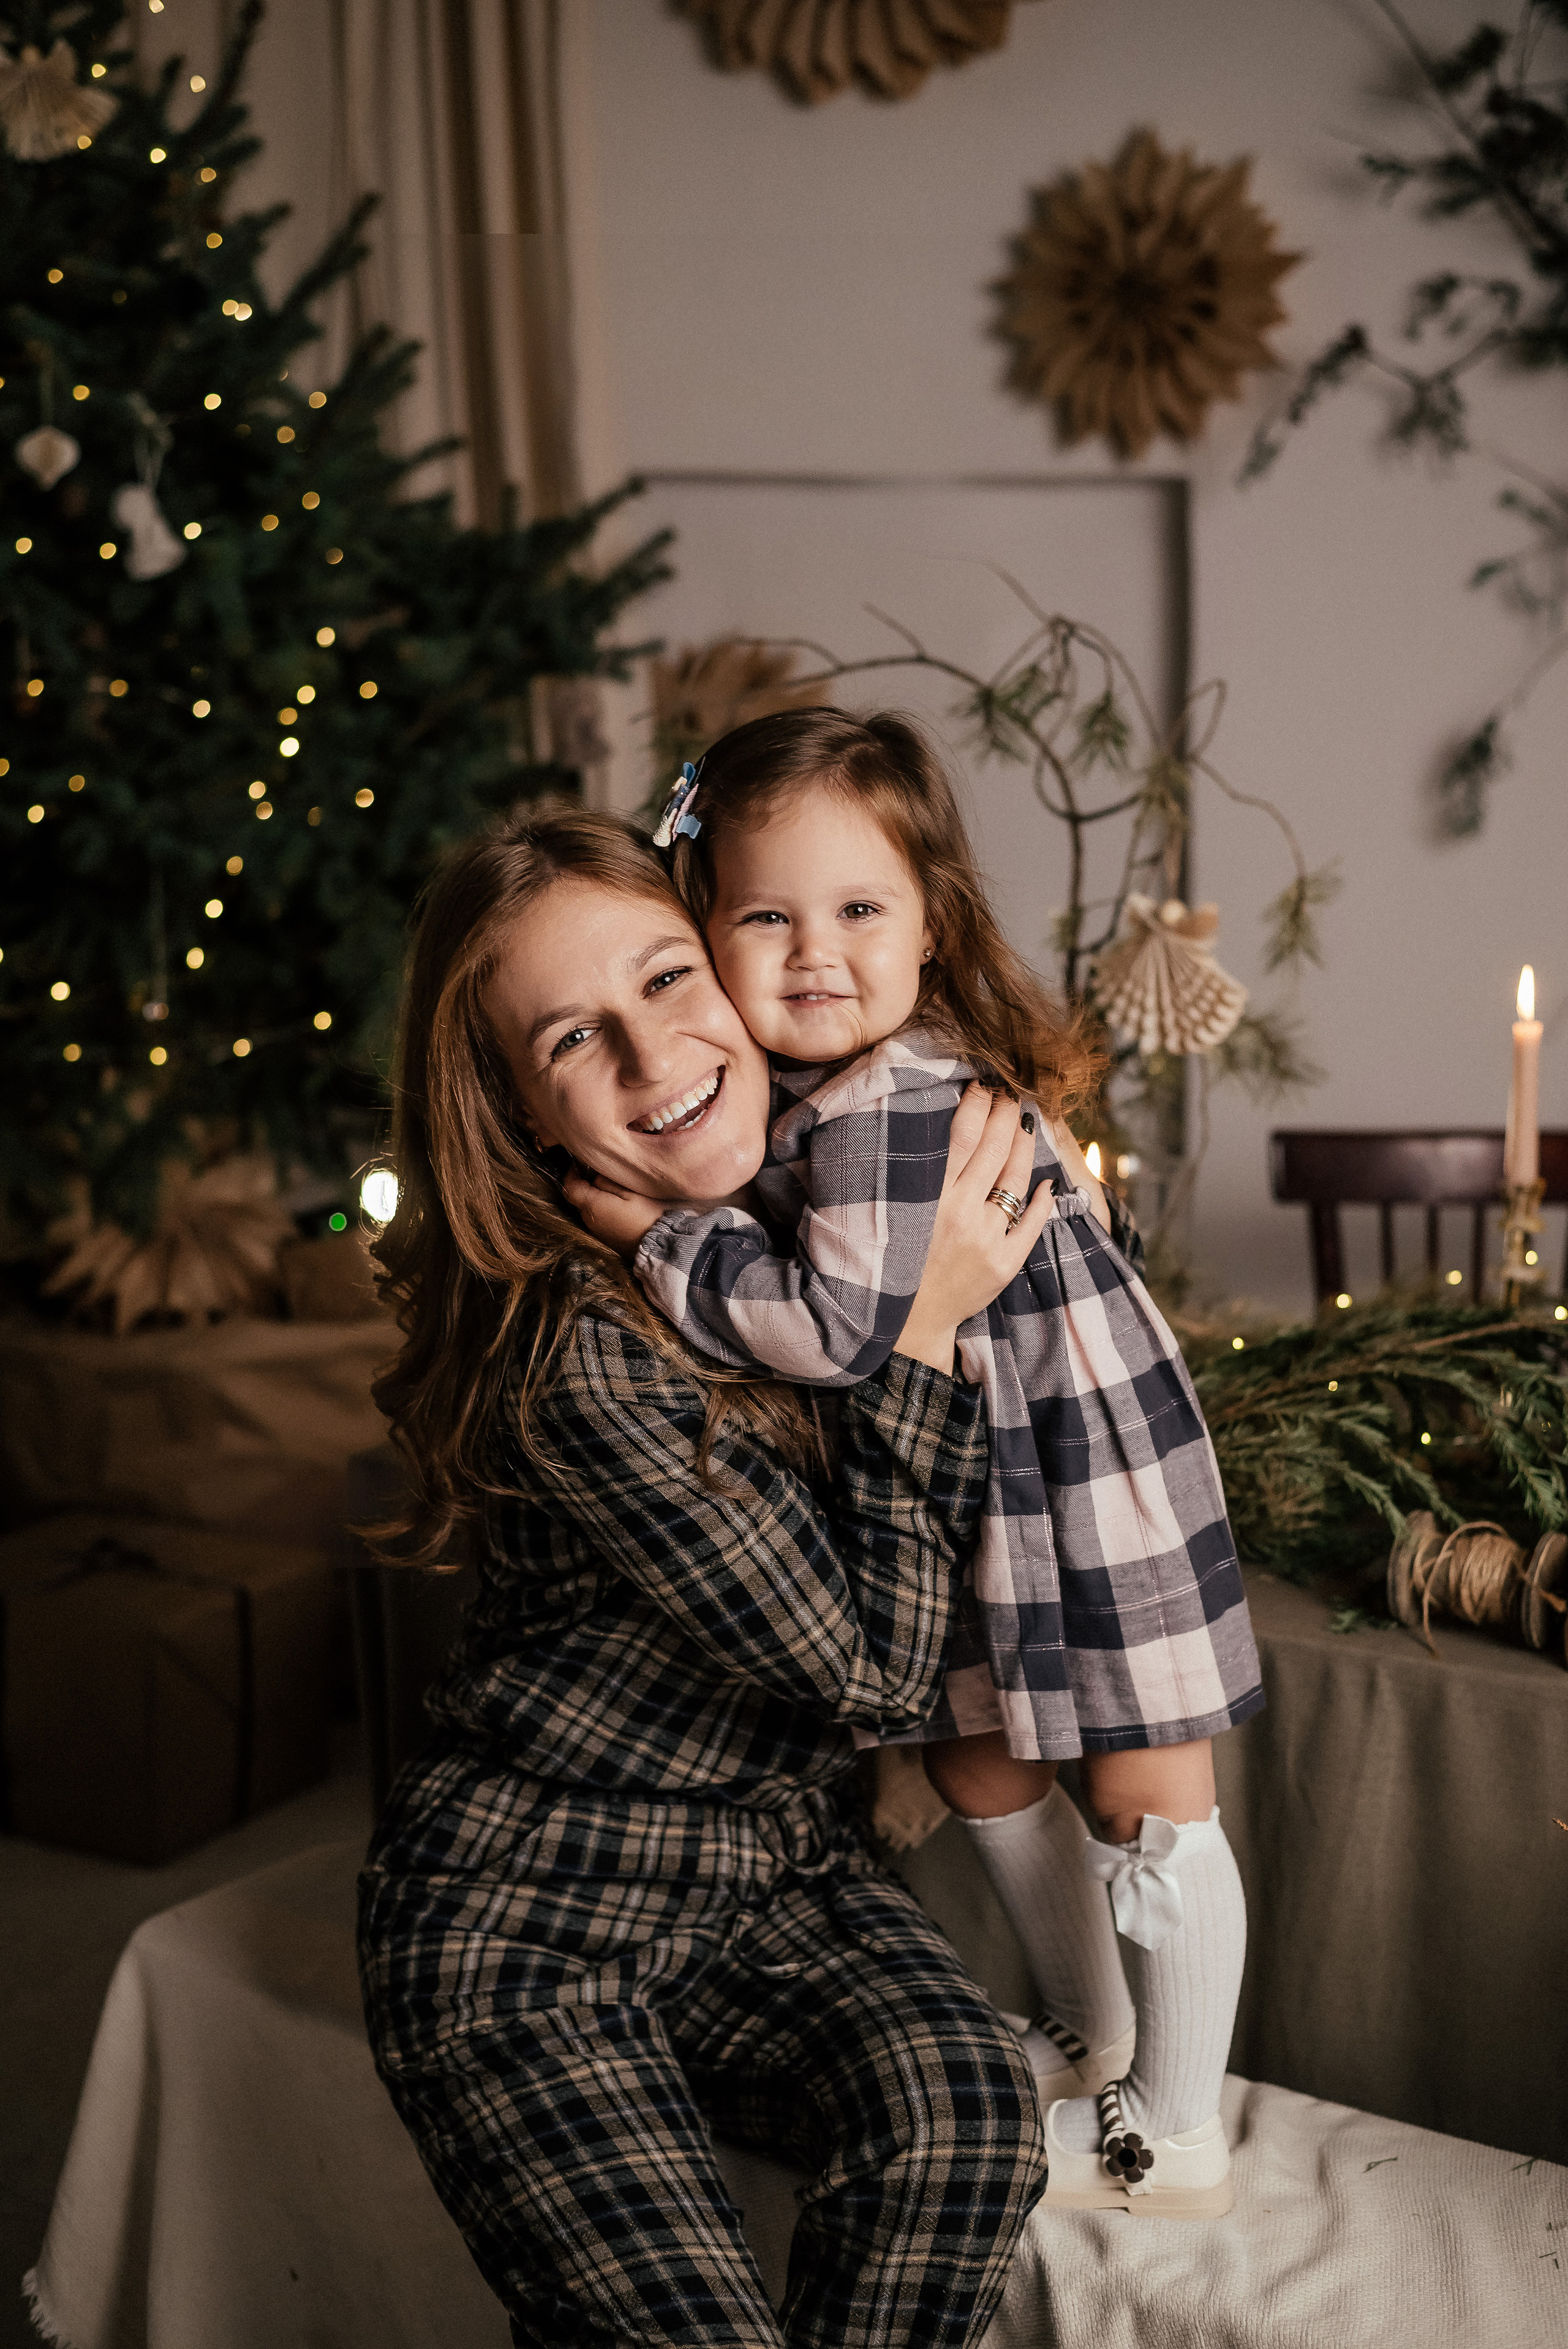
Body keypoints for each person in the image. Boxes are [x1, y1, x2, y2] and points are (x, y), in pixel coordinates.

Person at [358, 806, 1056, 2349]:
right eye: (570, 1038)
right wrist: (925, 1332)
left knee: (964, 2120)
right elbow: (867, 1674)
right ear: (516, 1109)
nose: (651, 1052)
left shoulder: (807, 1212)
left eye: (667, 978)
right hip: (531, 1919)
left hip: (776, 1875)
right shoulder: (576, 1354)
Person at [579, 709, 1264, 2220]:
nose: (813, 954)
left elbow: (835, 1330)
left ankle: (1176, 2129)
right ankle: (1093, 2037)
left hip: (1073, 1478)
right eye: (764, 917)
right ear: (702, 933)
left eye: (857, 910)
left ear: (931, 924)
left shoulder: (890, 1103)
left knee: (1144, 1791)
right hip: (981, 1481)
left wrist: (661, 1239)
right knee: (975, 1759)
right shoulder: (845, 1095)